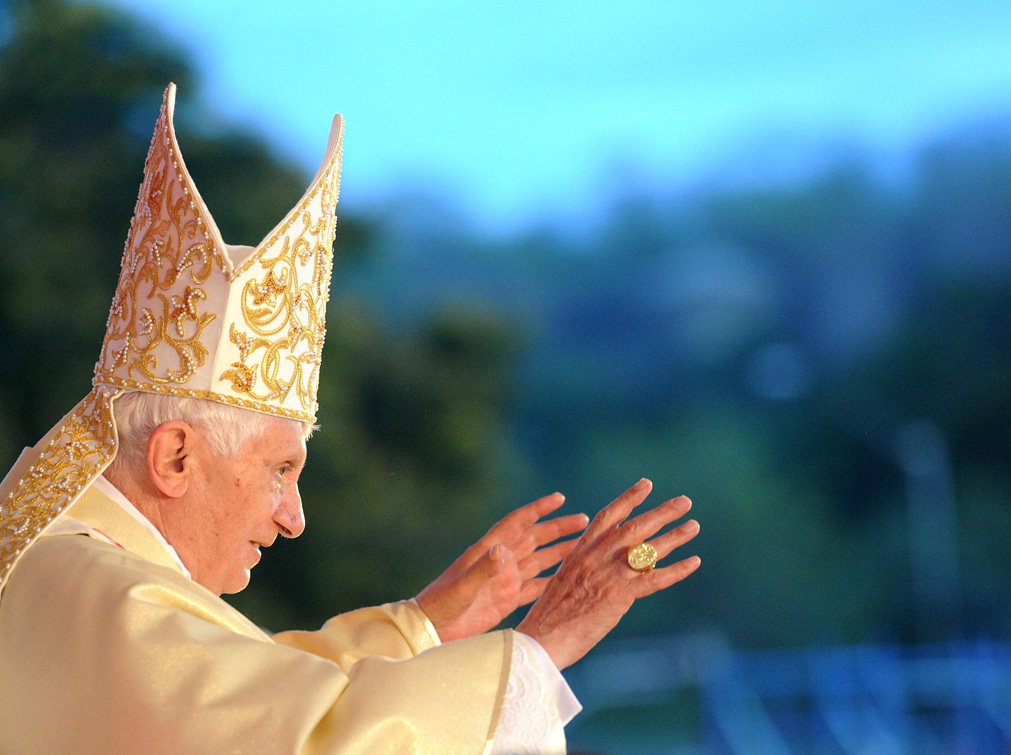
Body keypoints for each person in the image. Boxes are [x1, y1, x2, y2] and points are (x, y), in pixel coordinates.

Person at [0, 83, 700, 753]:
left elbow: (250, 701)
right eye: (280, 469)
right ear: (176, 457)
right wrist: (541, 649)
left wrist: (420, 626)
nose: (293, 516)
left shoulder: (62, 561)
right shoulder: (110, 596)